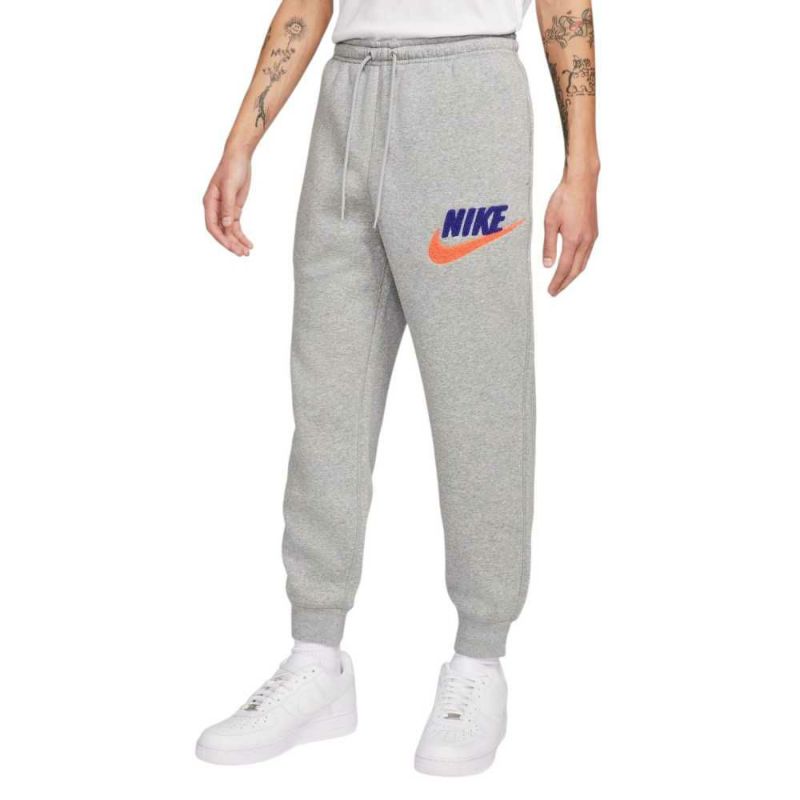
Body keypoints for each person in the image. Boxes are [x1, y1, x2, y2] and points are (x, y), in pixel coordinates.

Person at [197, 0, 599, 776]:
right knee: (326, 401)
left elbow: (564, 5)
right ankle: (317, 658)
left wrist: (581, 168)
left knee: (479, 398)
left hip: (465, 101)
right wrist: (240, 141)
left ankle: (479, 660)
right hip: (345, 102)